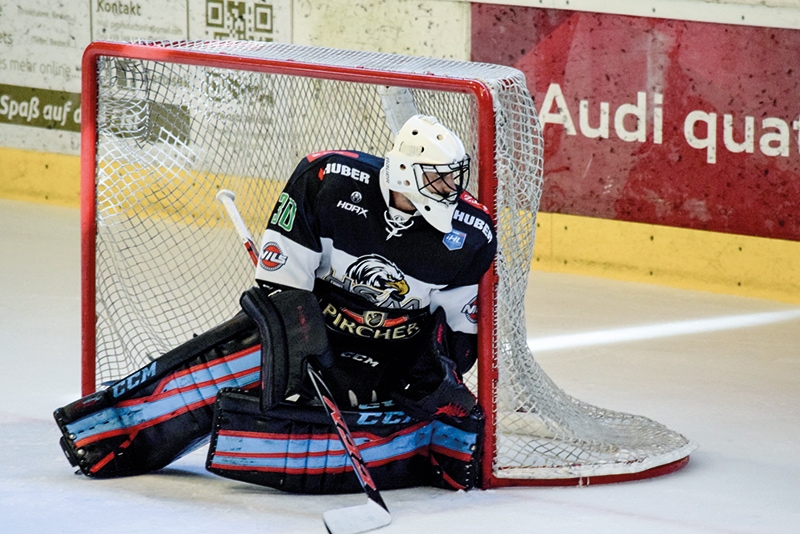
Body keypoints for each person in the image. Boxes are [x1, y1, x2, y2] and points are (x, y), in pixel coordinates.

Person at [54, 115, 497, 493]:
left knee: (447, 418)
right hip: (314, 329)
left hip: (393, 353)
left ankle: (416, 454)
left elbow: (457, 336)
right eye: (438, 177)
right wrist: (306, 350)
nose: (451, 187)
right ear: (403, 171)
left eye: (454, 175)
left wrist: (423, 372)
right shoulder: (328, 180)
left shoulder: (471, 233)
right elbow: (281, 286)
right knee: (226, 365)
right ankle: (105, 434)